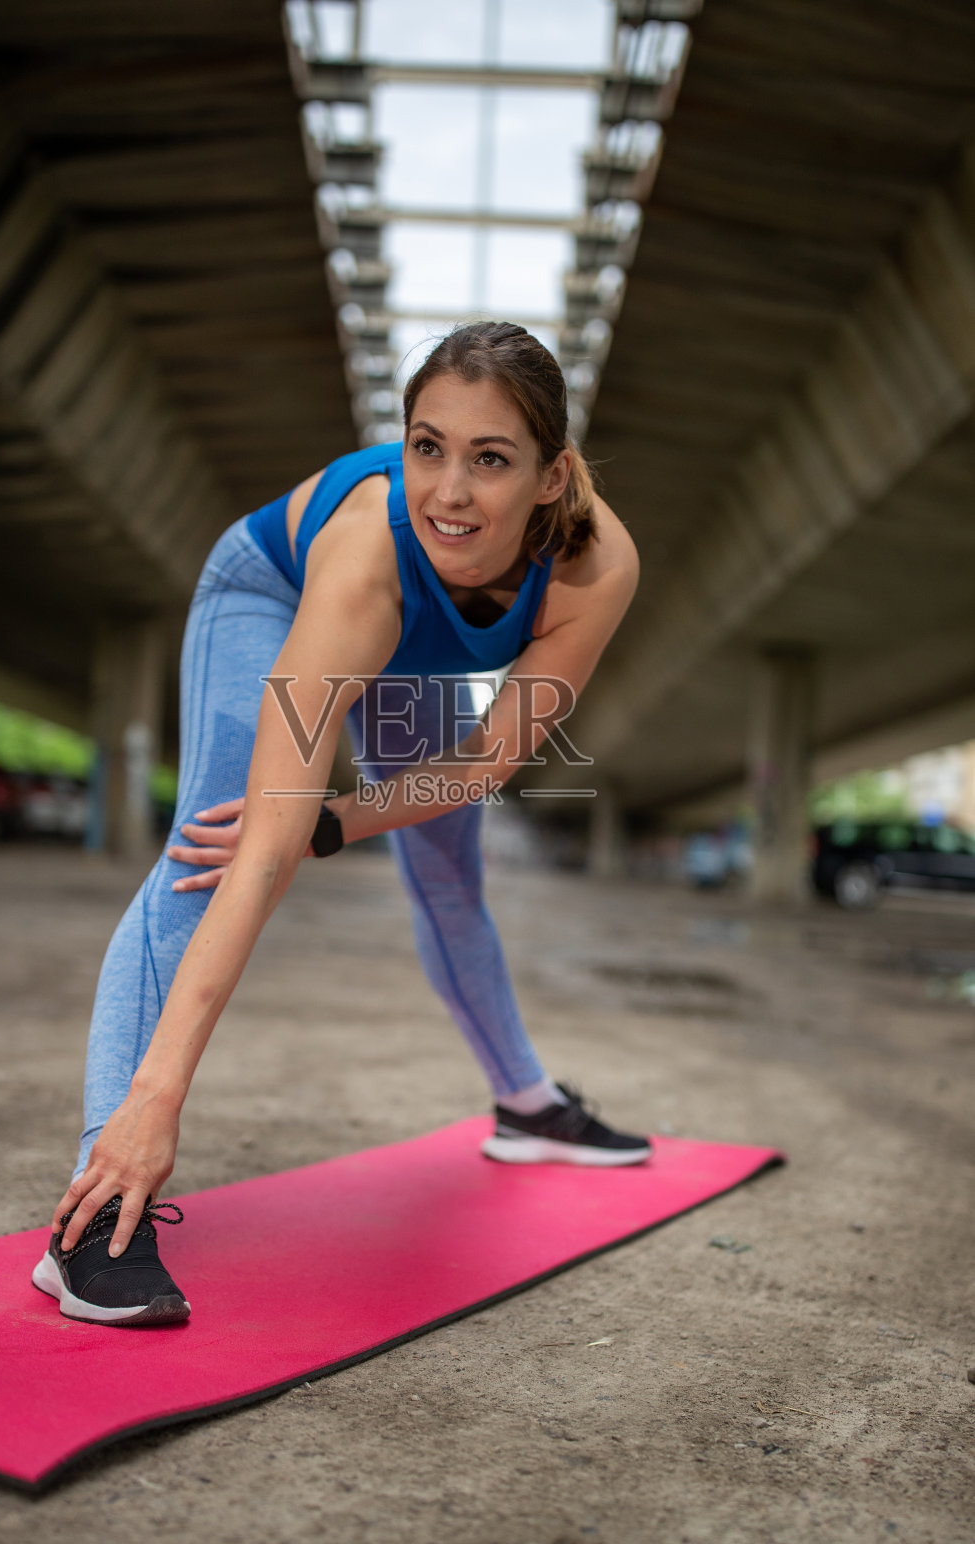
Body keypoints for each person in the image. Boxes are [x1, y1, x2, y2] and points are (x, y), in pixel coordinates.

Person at [32, 322, 651, 1329]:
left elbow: (486, 761)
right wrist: (158, 1101)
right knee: (214, 851)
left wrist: (334, 822)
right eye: (427, 447)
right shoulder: (366, 555)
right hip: (274, 594)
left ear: (552, 476)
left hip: (412, 648)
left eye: (491, 459)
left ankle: (527, 1105)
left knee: (450, 876)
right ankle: (96, 1201)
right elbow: (264, 852)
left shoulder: (595, 564)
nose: (449, 491)